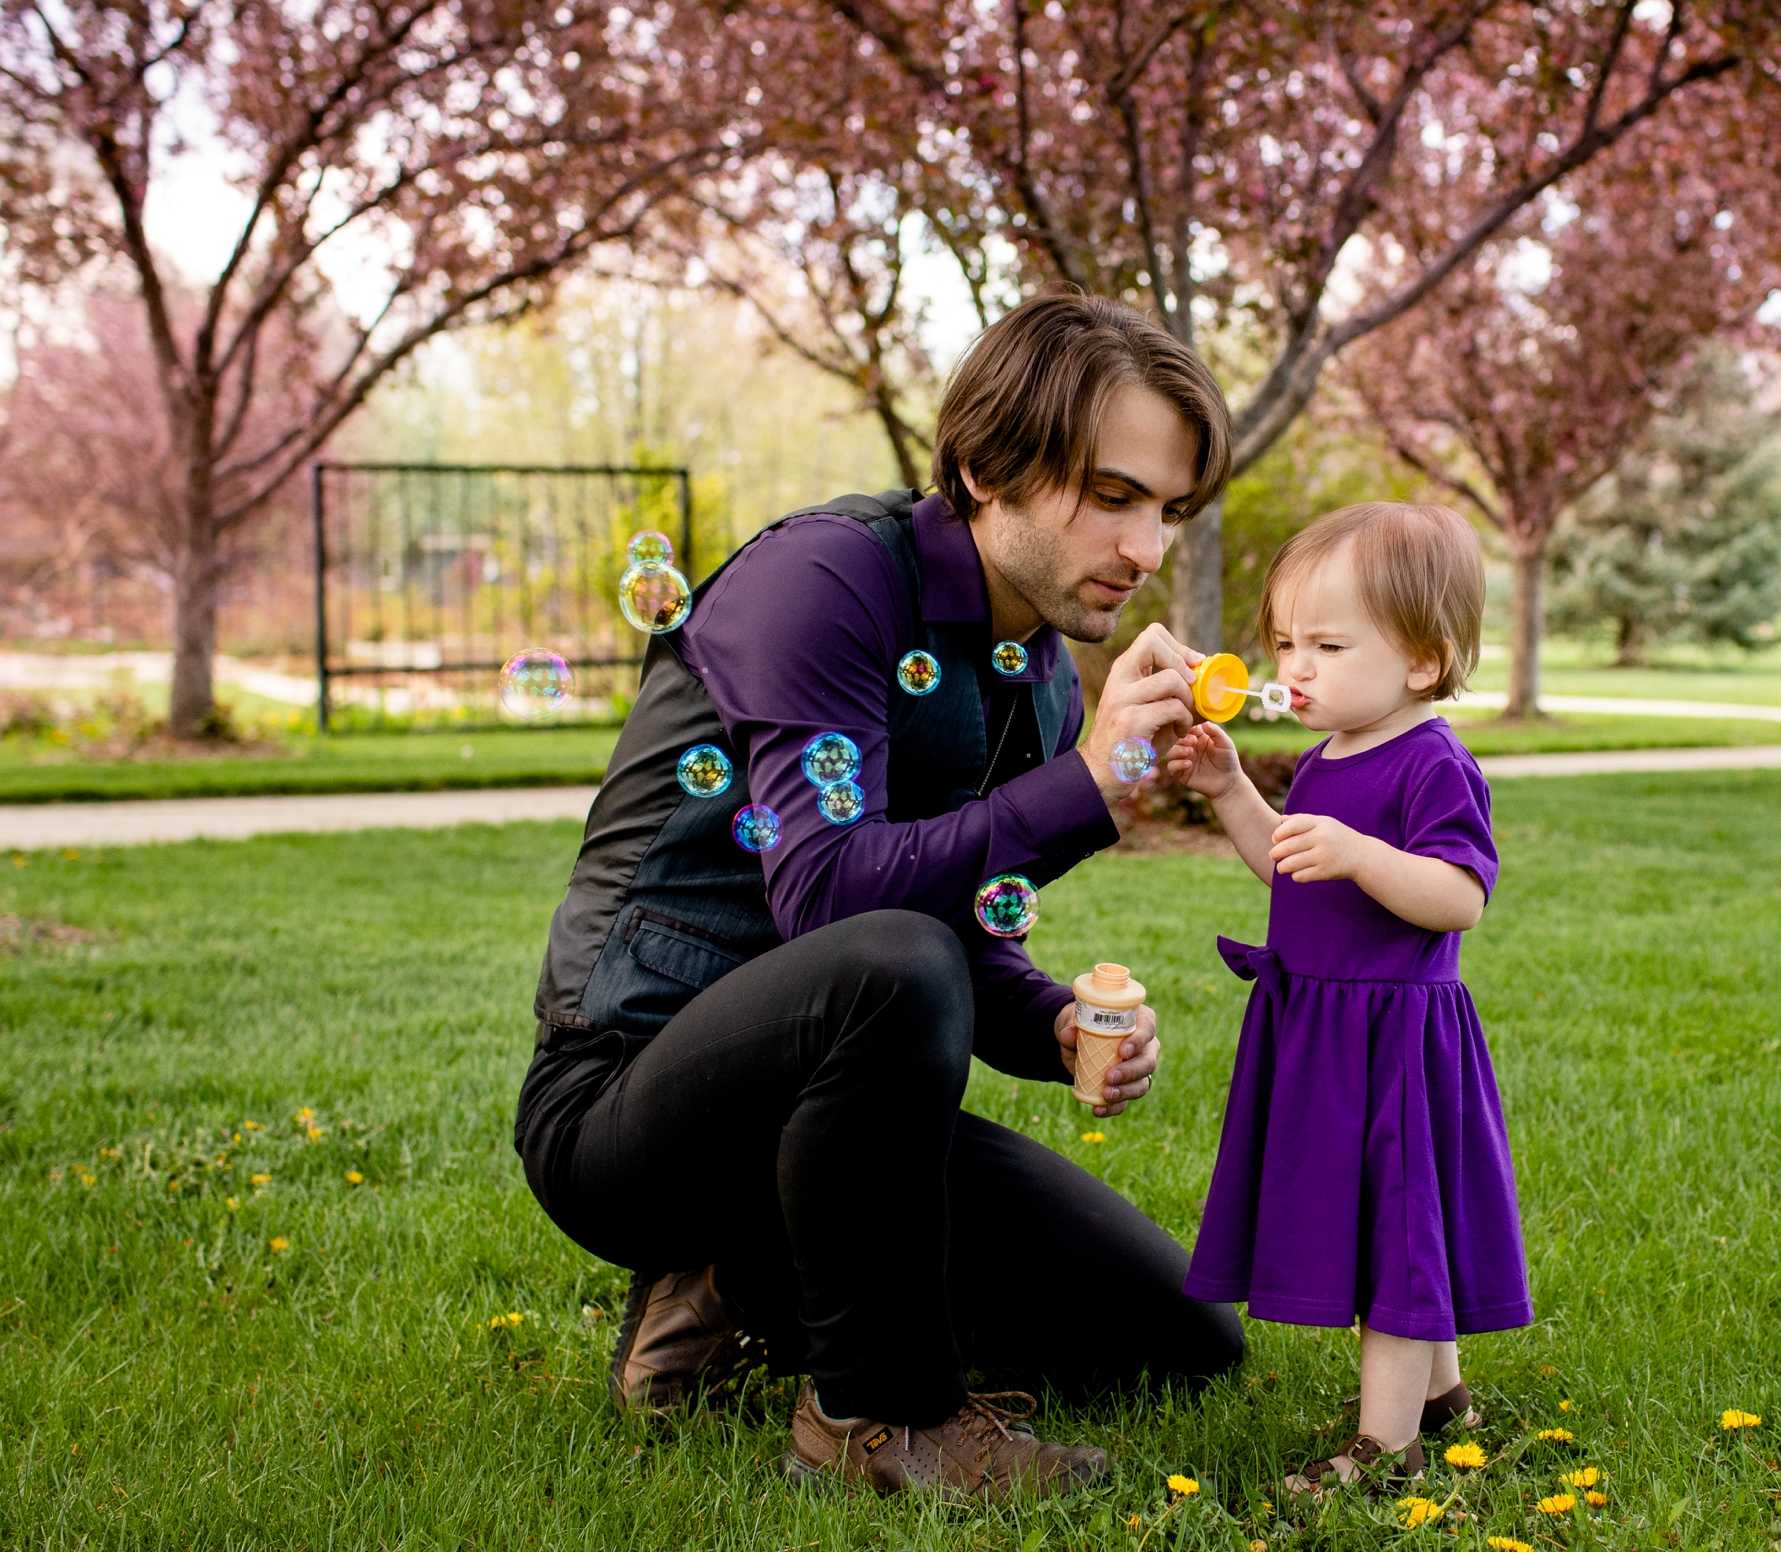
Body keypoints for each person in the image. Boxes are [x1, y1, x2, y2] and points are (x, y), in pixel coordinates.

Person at [513, 290, 1246, 1497]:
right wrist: (1084, 788)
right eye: (1111, 496)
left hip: (834, 1118)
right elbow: (834, 901)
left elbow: (953, 934)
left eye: (1168, 509)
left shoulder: (1046, 682)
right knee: (890, 959)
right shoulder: (828, 579)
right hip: (627, 1107)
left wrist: (1053, 1018)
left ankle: (745, 1283)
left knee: (1178, 1335)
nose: (1146, 549)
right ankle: (876, 1414)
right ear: (985, 463)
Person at [1161, 502, 1530, 1496]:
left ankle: (1386, 1450)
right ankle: (1442, 1399)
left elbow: (1460, 896)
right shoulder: (1329, 757)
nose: (1298, 666)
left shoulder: (1433, 760)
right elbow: (1288, 867)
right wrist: (1235, 789)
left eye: (1328, 643)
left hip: (1398, 1038)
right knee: (1382, 1226)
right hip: (1322, 1034)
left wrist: (1367, 855)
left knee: (1402, 1234)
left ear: (1422, 658)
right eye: (1287, 641)